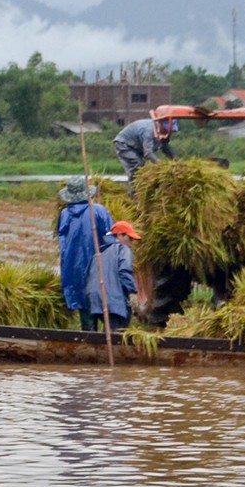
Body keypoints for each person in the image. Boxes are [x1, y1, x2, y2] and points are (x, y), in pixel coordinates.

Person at [54, 175, 113, 326]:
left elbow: (63, 244)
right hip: (97, 267)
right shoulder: (99, 212)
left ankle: (89, 341)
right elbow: (110, 240)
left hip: (74, 270)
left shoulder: (65, 215)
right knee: (106, 310)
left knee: (85, 310)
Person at [81, 221, 141, 332]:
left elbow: (87, 276)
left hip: (94, 299)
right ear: (120, 235)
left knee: (108, 332)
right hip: (112, 300)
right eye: (130, 238)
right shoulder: (123, 249)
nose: (131, 243)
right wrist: (133, 292)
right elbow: (124, 271)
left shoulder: (99, 253)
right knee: (118, 333)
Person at [112, 114, 176, 183]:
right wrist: (161, 164)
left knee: (145, 167)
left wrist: (176, 161)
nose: (168, 132)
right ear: (161, 124)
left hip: (137, 146)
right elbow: (148, 153)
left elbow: (166, 147)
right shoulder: (149, 131)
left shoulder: (161, 133)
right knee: (137, 166)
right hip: (124, 144)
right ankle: (134, 192)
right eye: (167, 129)